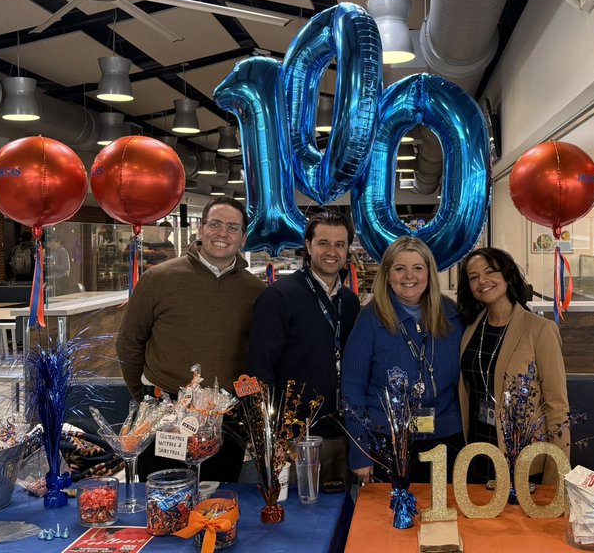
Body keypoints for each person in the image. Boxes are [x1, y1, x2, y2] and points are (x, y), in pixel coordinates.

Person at [116, 198, 263, 481]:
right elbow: (129, 343)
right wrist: (147, 396)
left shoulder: (255, 291)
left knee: (217, 504)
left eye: (233, 227)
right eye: (215, 224)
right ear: (200, 228)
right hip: (165, 415)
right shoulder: (159, 279)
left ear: (243, 237)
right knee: (163, 499)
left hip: (225, 422)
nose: (223, 233)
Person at [246, 210, 361, 488]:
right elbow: (259, 371)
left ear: (348, 250)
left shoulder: (350, 302)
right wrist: (270, 436)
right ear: (308, 246)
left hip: (342, 433)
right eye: (323, 243)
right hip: (295, 438)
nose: (331, 251)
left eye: (339, 244)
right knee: (299, 518)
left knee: (343, 515)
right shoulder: (279, 297)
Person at [342, 235, 463, 484]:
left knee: (445, 519)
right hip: (387, 442)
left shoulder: (452, 314)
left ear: (429, 272)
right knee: (391, 520)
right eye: (400, 269)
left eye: (418, 268)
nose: (410, 276)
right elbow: (352, 390)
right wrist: (361, 451)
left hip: (446, 440)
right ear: (387, 274)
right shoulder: (370, 319)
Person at [457, 247, 570, 484]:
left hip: (523, 459)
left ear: (507, 276)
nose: (482, 281)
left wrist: (556, 475)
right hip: (478, 451)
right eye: (473, 277)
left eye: (489, 272)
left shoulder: (540, 330)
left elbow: (557, 406)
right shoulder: (470, 330)